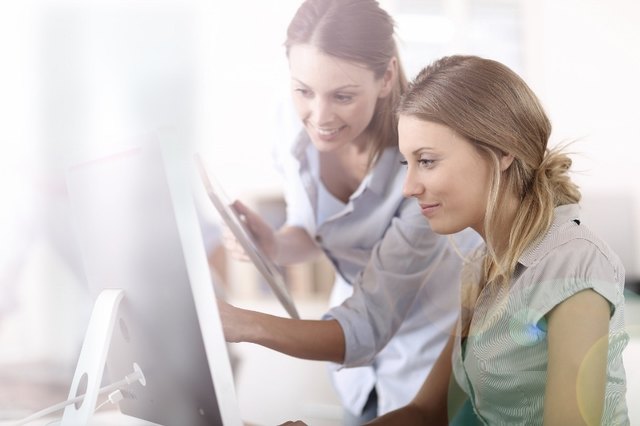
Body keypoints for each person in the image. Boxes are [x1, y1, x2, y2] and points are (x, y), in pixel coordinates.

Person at [217, 0, 481, 423]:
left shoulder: (422, 169)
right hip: (356, 373)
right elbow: (317, 233)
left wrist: (242, 324)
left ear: (386, 77)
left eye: (342, 95)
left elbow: (368, 328)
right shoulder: (291, 127)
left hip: (424, 363)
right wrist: (275, 244)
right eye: (303, 90)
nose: (319, 117)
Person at [362, 55, 629, 425]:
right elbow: (427, 413)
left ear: (504, 148)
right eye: (408, 164)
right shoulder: (480, 269)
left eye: (426, 160)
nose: (409, 188)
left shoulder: (574, 265)